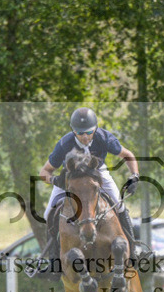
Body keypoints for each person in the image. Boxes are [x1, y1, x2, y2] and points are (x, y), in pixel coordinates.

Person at [38, 107, 142, 269]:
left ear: (95, 129)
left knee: (119, 205)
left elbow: (128, 155)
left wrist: (134, 176)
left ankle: (133, 252)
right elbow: (44, 172)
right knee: (47, 213)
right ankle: (53, 261)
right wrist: (54, 180)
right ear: (73, 131)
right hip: (70, 177)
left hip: (97, 172)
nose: (85, 136)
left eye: (89, 132)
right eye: (80, 133)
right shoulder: (64, 143)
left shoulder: (104, 138)